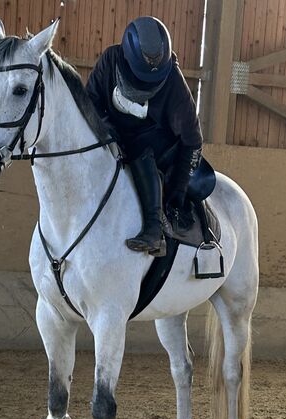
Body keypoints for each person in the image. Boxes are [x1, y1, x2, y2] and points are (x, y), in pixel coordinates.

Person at [86, 16, 204, 256]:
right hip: (110, 134)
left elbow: (192, 140)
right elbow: (90, 102)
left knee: (142, 151)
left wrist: (179, 189)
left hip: (154, 146)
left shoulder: (173, 81)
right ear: (128, 57)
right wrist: (107, 129)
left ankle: (154, 229)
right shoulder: (110, 60)